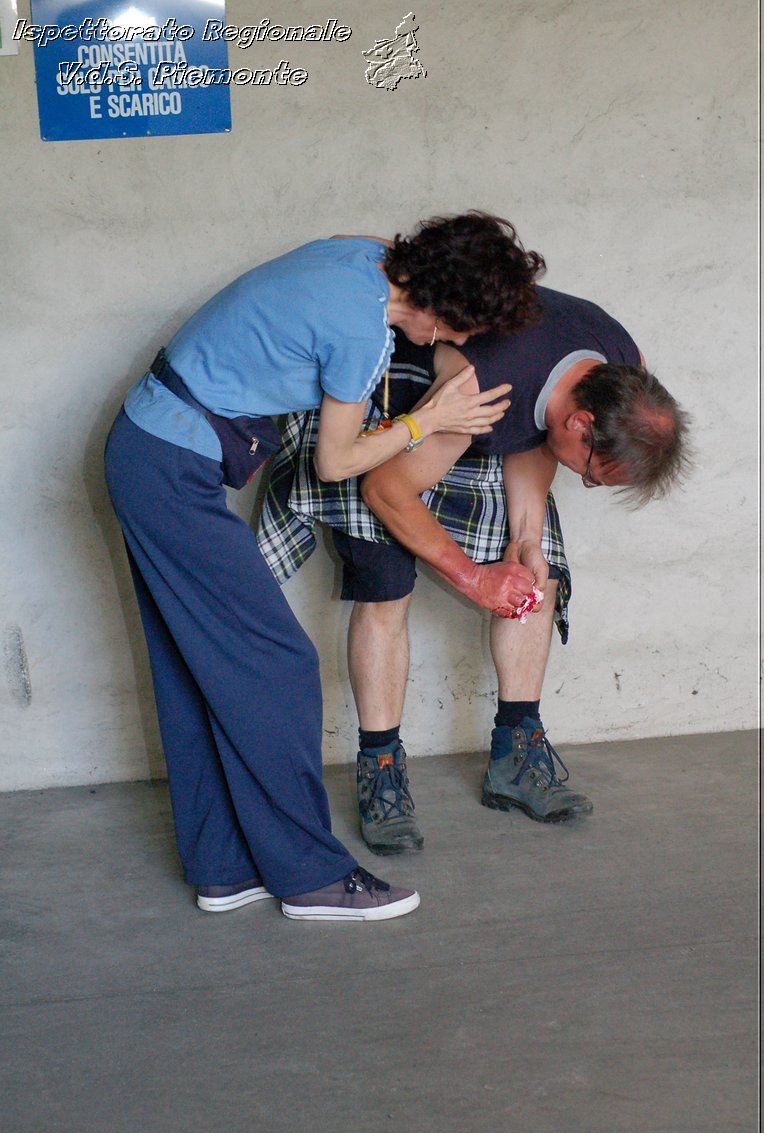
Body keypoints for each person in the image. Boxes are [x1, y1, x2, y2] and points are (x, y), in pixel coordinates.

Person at [104, 213, 546, 920]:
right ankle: (309, 876)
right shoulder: (362, 332)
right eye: (462, 327)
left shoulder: (365, 253)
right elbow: (336, 462)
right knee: (278, 663)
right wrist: (424, 424)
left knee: (197, 671)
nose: (459, 343)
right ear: (442, 307)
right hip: (168, 467)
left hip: (150, 449)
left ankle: (222, 868)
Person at [258, 284, 690, 855]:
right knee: (386, 587)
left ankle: (516, 753)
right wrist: (471, 577)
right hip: (389, 418)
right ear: (583, 424)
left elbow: (535, 428)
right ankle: (381, 767)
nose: (586, 483)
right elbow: (385, 488)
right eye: (592, 473)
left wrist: (527, 538)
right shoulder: (482, 387)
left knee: (537, 575)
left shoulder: (618, 363)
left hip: (480, 418)